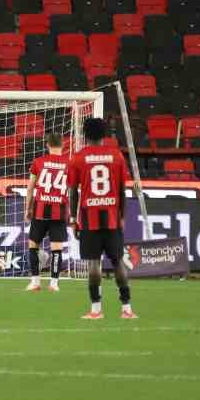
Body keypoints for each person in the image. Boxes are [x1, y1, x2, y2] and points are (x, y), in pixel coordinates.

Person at [69, 118, 135, 320]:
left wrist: (73, 218)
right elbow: (123, 190)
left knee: (94, 264)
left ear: (85, 135)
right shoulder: (116, 156)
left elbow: (73, 192)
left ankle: (96, 310)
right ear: (104, 134)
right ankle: (127, 308)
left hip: (90, 218)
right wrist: (122, 216)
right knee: (118, 262)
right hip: (113, 217)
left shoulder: (78, 158)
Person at [23, 132, 73, 293]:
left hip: (40, 210)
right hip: (59, 212)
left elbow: (31, 187)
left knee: (33, 246)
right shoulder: (69, 164)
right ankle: (54, 283)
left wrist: (28, 208)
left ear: (47, 145)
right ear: (63, 145)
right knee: (57, 249)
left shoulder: (38, 162)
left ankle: (35, 282)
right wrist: (71, 212)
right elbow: (72, 190)